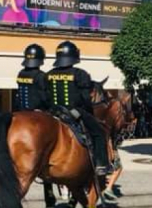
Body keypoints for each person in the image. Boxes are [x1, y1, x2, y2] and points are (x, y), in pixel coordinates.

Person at [45, 40, 110, 175]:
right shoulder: (80, 73)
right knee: (99, 132)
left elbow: (46, 96)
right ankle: (101, 165)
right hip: (74, 112)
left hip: (53, 112)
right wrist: (89, 112)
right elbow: (85, 98)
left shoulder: (49, 74)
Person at [15, 43, 50, 111]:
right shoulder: (40, 75)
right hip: (37, 111)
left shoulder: (21, 73)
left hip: (21, 109)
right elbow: (44, 97)